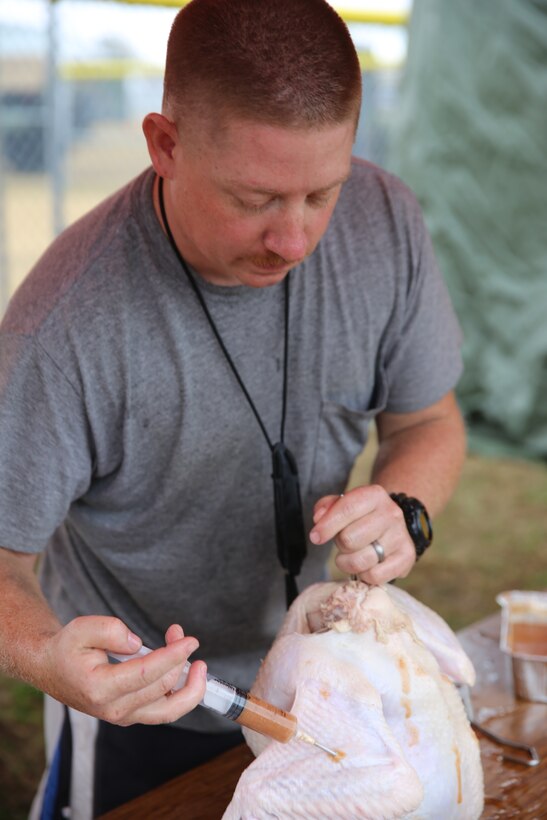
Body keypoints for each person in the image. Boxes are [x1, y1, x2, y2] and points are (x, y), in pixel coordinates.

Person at [0, 0, 466, 816]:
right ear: (165, 146)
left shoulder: (383, 223)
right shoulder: (64, 326)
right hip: (146, 713)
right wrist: (46, 654)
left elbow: (427, 422)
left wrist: (405, 509)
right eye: (254, 199)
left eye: (321, 192)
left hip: (329, 688)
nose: (294, 240)